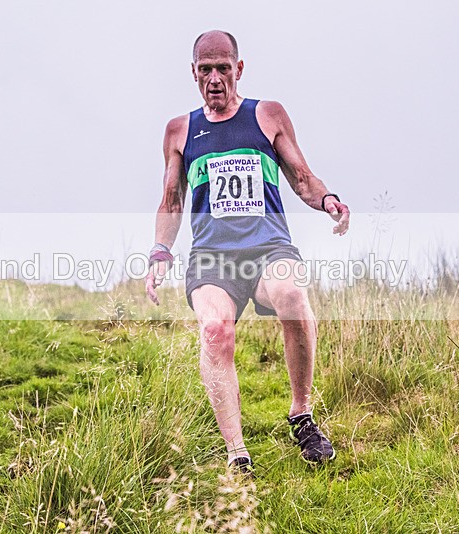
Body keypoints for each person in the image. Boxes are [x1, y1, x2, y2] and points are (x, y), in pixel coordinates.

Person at [145, 31, 350, 473]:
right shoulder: (179, 131)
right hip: (212, 259)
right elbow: (171, 199)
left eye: (223, 68)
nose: (215, 78)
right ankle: (237, 453)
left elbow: (301, 176)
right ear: (194, 74)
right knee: (216, 332)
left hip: (268, 247)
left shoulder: (267, 115)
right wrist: (161, 249)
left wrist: (328, 199)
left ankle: (301, 415)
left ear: (239, 69)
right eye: (205, 70)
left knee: (293, 298)